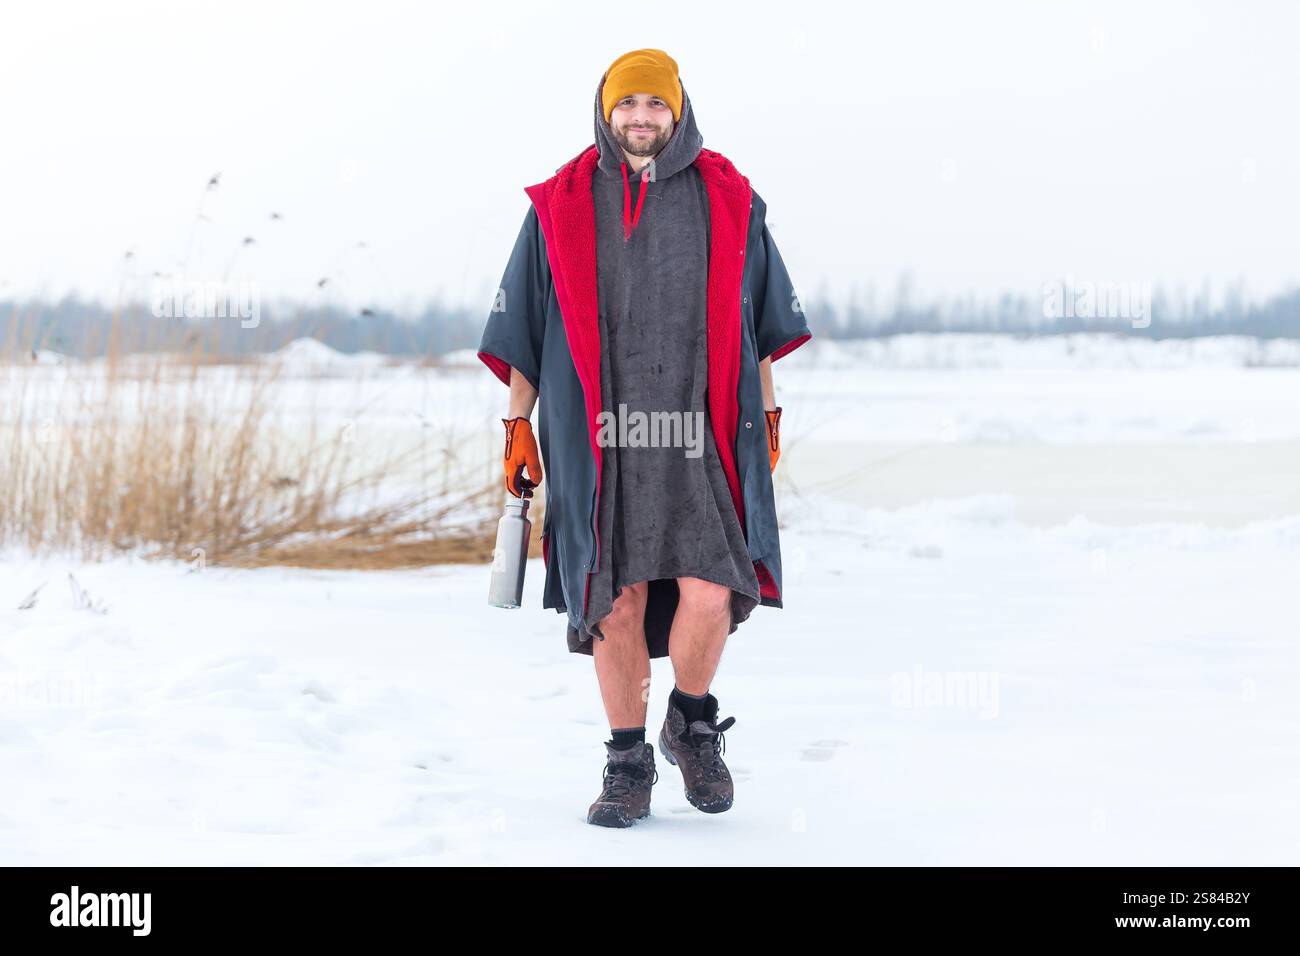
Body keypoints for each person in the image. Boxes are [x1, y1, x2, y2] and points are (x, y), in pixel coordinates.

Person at [478, 48, 811, 827]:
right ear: (605, 110)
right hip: (599, 439)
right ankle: (627, 760)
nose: (640, 118)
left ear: (679, 112)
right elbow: (527, 326)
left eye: (654, 106)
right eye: (627, 105)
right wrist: (517, 423)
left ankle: (690, 724)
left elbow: (758, 324)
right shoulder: (560, 201)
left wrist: (766, 415)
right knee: (616, 600)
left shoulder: (728, 196)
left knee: (713, 589)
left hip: (701, 440)